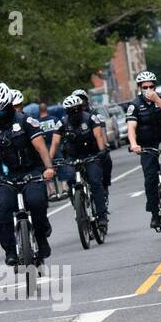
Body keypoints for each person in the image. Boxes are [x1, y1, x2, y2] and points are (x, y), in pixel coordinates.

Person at [0, 83, 57, 265]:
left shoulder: (25, 121)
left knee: (37, 202)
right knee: (3, 209)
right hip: (4, 177)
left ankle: (42, 239)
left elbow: (41, 147)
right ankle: (11, 251)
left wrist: (48, 168)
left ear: (8, 106)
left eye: (0, 111)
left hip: (31, 171)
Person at [125, 70, 161, 230]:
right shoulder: (134, 105)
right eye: (145, 87)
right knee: (150, 180)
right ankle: (155, 214)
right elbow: (131, 127)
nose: (148, 89)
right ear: (139, 88)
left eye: (151, 86)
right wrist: (134, 144)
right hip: (146, 145)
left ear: (155, 86)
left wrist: (157, 100)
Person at [50, 93, 108, 229]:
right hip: (72, 157)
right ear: (66, 111)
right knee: (70, 179)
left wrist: (102, 150)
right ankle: (77, 204)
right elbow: (54, 143)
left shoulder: (90, 118)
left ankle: (102, 215)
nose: (74, 112)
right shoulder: (62, 123)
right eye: (71, 110)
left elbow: (98, 135)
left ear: (81, 107)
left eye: (77, 108)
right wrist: (49, 162)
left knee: (95, 182)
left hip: (91, 155)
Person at [72, 88, 113, 202]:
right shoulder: (69, 118)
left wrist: (104, 145)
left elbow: (102, 131)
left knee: (106, 159)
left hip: (94, 147)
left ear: (87, 101)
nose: (81, 103)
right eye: (78, 100)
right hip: (78, 151)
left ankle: (105, 185)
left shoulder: (95, 115)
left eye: (82, 100)